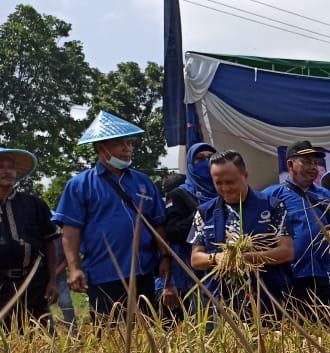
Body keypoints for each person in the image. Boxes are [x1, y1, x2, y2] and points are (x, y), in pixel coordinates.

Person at [53, 111, 169, 320]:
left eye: (130, 143)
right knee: (109, 337)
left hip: (143, 271)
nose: (128, 149)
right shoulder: (80, 185)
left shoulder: (144, 182)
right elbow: (70, 231)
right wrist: (74, 268)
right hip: (103, 273)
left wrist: (165, 257)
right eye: (120, 144)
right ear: (101, 148)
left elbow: (158, 224)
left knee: (147, 334)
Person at [189, 151, 293, 312]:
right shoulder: (204, 212)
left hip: (266, 299)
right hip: (220, 302)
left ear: (245, 175)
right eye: (218, 183)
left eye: (230, 182)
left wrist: (246, 258)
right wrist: (217, 258)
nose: (225, 188)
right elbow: (195, 258)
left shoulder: (271, 206)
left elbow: (286, 251)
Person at [263, 140, 330, 313]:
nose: (313, 167)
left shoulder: (325, 195)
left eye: (314, 163)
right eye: (306, 161)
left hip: (325, 276)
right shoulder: (272, 194)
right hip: (291, 276)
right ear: (290, 164)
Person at [0, 148, 60, 327]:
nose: (7, 171)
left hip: (33, 284)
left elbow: (49, 242)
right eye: (1, 167)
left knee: (41, 339)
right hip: (1, 286)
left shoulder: (33, 204)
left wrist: (53, 281)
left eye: (10, 167)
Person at [161, 142, 217, 318]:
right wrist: (202, 214)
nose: (206, 163)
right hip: (193, 273)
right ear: (191, 164)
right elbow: (173, 232)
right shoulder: (180, 194)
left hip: (222, 269)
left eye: (210, 158)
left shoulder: (224, 190)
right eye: (200, 159)